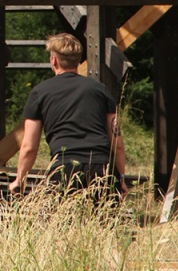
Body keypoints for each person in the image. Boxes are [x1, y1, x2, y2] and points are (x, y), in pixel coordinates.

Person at [9, 33, 126, 197]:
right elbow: (117, 143)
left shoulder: (40, 93)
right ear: (78, 61)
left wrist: (19, 180)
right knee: (104, 221)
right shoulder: (100, 90)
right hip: (102, 168)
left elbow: (29, 147)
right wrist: (120, 178)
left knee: (65, 221)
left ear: (53, 60)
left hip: (65, 167)